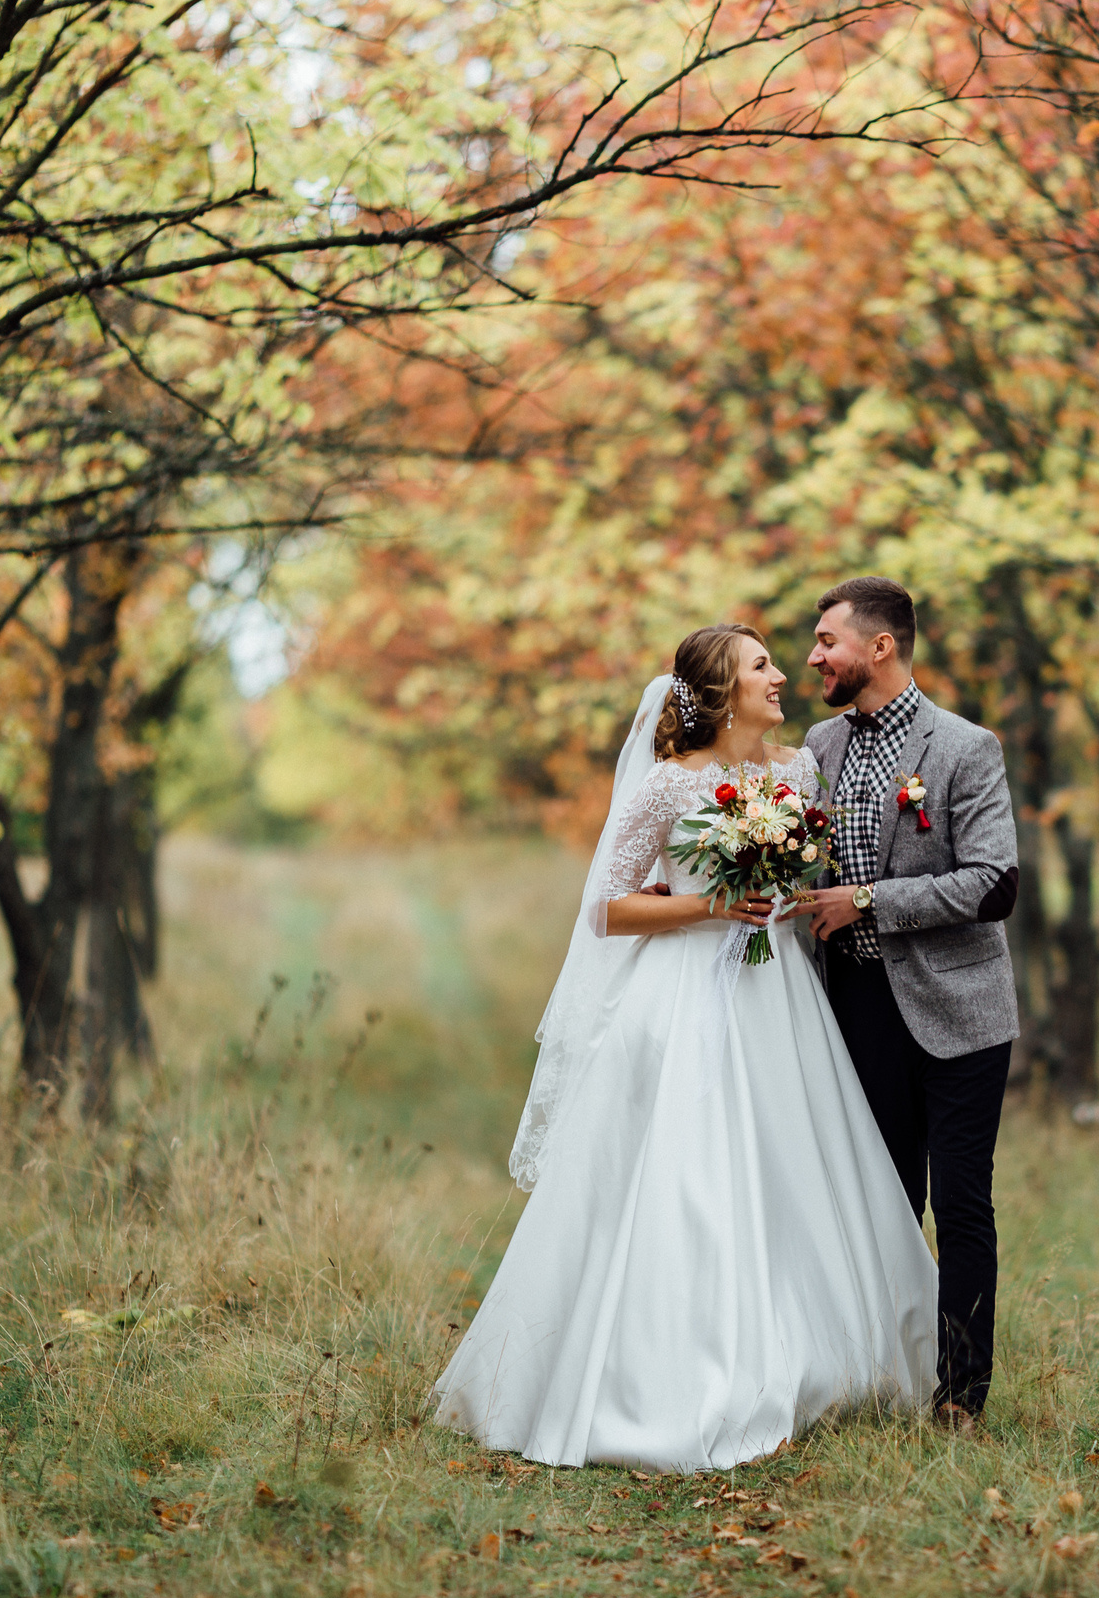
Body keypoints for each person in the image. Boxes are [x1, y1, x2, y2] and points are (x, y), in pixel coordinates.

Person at [429, 625, 938, 1471]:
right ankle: (673, 1372)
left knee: (791, 1163)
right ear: (720, 691)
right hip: (686, 999)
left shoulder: (797, 771)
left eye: (777, 661)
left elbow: (801, 879)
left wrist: (789, 889)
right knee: (692, 1172)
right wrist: (708, 906)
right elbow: (609, 909)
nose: (781, 676)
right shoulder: (668, 785)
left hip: (778, 992)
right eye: (762, 666)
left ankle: (822, 1353)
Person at [801, 577, 1021, 1430]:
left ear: (880, 646)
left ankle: (961, 1395)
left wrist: (869, 900)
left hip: (960, 1010)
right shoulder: (815, 746)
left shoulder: (966, 747)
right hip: (853, 1008)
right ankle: (880, 1374)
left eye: (828, 640)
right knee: (882, 1199)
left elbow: (994, 883)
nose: (815, 656)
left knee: (961, 1200)